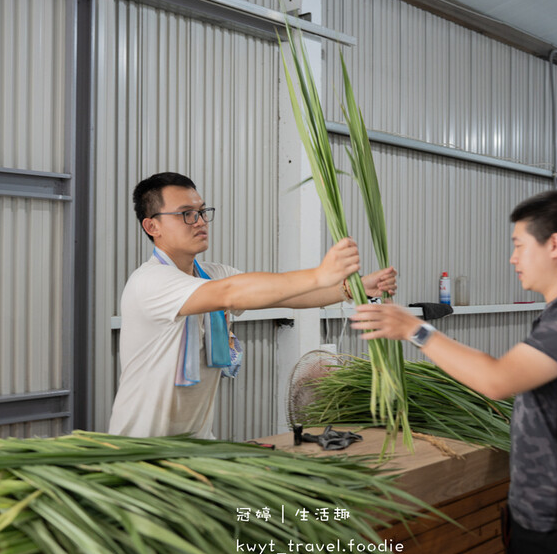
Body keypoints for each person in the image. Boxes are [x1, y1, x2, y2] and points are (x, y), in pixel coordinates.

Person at [350, 190, 557, 554]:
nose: (512, 258)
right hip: (555, 515)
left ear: (555, 245)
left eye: (519, 245)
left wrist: (415, 330)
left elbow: (497, 380)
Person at [109, 172, 397, 439]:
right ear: (152, 226)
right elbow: (232, 293)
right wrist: (318, 274)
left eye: (201, 212)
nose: (199, 221)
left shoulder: (212, 274)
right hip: (142, 446)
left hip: (195, 445)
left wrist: (350, 288)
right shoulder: (150, 282)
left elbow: (283, 296)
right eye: (186, 214)